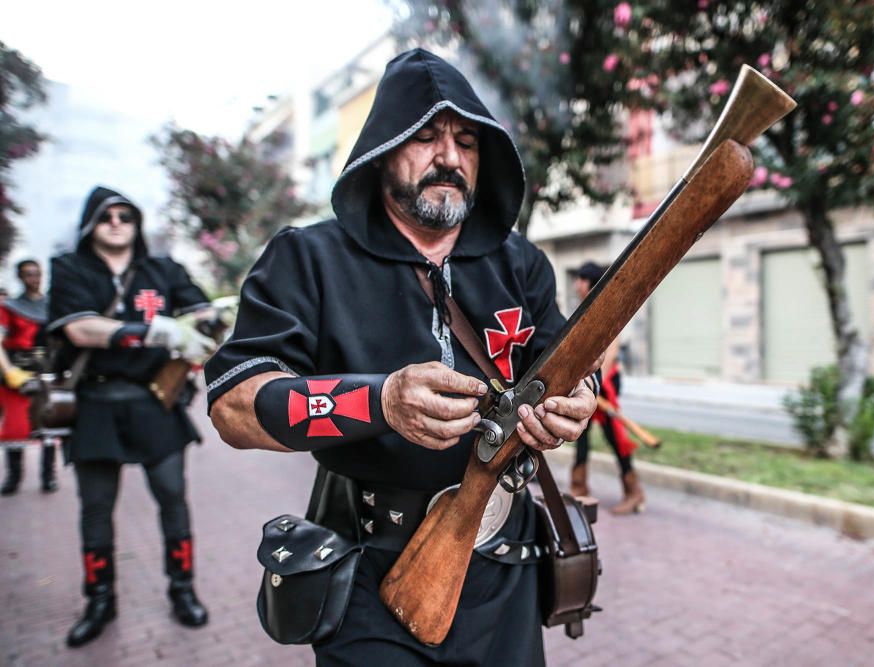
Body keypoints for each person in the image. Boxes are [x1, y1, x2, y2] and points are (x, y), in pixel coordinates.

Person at [206, 48, 600, 666]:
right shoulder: (308, 260)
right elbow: (234, 406)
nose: (448, 157)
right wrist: (379, 401)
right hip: (367, 568)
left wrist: (578, 401)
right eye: (425, 137)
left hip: (504, 563)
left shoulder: (520, 264)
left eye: (467, 141)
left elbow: (565, 366)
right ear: (382, 149)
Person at [47, 186, 217, 647]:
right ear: (90, 224)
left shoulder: (162, 269)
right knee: (96, 508)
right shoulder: (69, 269)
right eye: (106, 216)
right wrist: (152, 331)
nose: (117, 222)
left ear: (137, 223)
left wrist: (207, 322)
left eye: (126, 215)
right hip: (96, 404)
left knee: (172, 498)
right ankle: (100, 600)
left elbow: (202, 312)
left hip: (153, 403)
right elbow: (79, 328)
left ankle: (183, 589)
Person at [570, 261, 646, 514]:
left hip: (606, 380)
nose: (575, 285)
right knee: (581, 431)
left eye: (578, 280)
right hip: (589, 378)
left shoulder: (606, 305)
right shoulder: (587, 307)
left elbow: (611, 348)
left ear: (586, 282)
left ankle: (633, 490)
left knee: (613, 434)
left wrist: (597, 380)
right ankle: (579, 487)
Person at [1, 259, 56, 495]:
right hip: (17, 369)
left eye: (37, 273)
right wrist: (8, 370)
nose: (34, 278)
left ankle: (48, 477)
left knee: (49, 424)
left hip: (47, 368)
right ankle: (14, 477)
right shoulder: (9, 307)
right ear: (20, 277)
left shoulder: (53, 305)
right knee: (16, 425)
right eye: (28, 274)